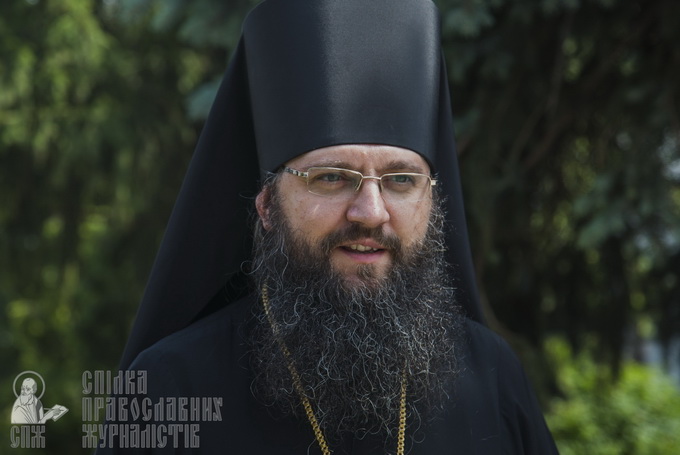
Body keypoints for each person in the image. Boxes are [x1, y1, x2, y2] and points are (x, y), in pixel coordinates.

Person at [98, 0, 559, 453]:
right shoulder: (169, 387)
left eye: (401, 180)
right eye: (332, 178)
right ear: (266, 205)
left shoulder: (494, 379)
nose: (371, 213)